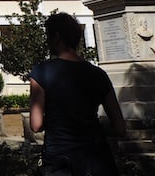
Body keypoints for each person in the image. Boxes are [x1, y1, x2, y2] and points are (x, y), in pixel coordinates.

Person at [30, 13, 126, 176]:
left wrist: (57, 120)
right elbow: (119, 128)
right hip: (96, 159)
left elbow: (36, 124)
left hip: (60, 159)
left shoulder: (42, 72)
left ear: (57, 37)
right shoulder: (98, 74)